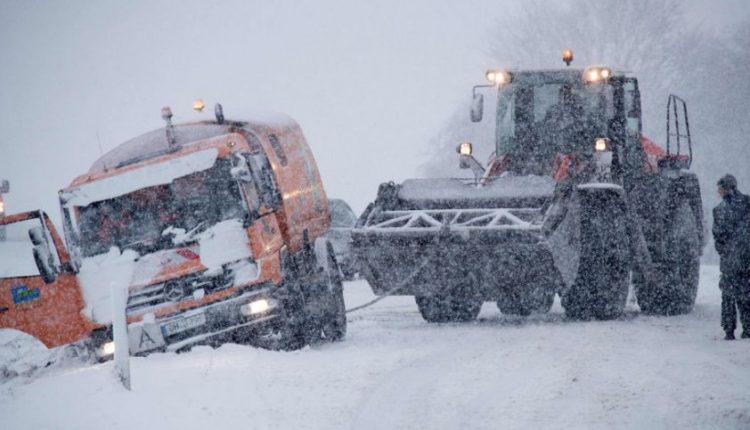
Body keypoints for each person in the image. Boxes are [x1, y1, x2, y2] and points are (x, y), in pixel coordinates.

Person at [712, 174, 750, 340]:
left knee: (728, 296)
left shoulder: (719, 210)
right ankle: (748, 327)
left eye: (720, 188)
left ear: (726, 188)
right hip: (746, 259)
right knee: (745, 294)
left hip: (729, 261)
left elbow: (718, 237)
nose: (719, 191)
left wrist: (726, 252)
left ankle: (729, 330)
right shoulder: (748, 203)